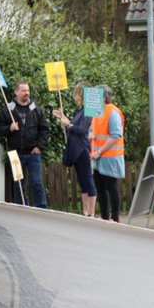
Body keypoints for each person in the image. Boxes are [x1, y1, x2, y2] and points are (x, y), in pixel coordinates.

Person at [0, 80, 50, 208]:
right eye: (24, 90)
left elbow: (44, 130)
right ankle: (22, 209)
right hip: (15, 153)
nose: (27, 93)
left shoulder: (36, 109)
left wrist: (39, 146)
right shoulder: (8, 110)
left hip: (33, 152)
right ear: (16, 92)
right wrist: (9, 128)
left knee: (37, 182)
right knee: (18, 183)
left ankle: (41, 209)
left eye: (28, 90)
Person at [52, 82, 97, 218]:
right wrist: (62, 117)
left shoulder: (88, 111)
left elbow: (81, 129)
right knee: (82, 181)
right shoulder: (82, 110)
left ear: (81, 94)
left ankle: (91, 213)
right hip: (77, 149)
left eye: (76, 93)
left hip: (82, 149)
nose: (75, 96)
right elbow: (73, 125)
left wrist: (68, 125)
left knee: (87, 180)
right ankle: (85, 211)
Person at [91, 85, 126, 222]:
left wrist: (99, 151)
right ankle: (105, 217)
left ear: (103, 97)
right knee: (100, 187)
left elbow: (115, 135)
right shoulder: (97, 111)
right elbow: (94, 131)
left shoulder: (113, 113)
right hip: (98, 157)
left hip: (109, 157)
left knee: (111, 187)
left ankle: (115, 218)